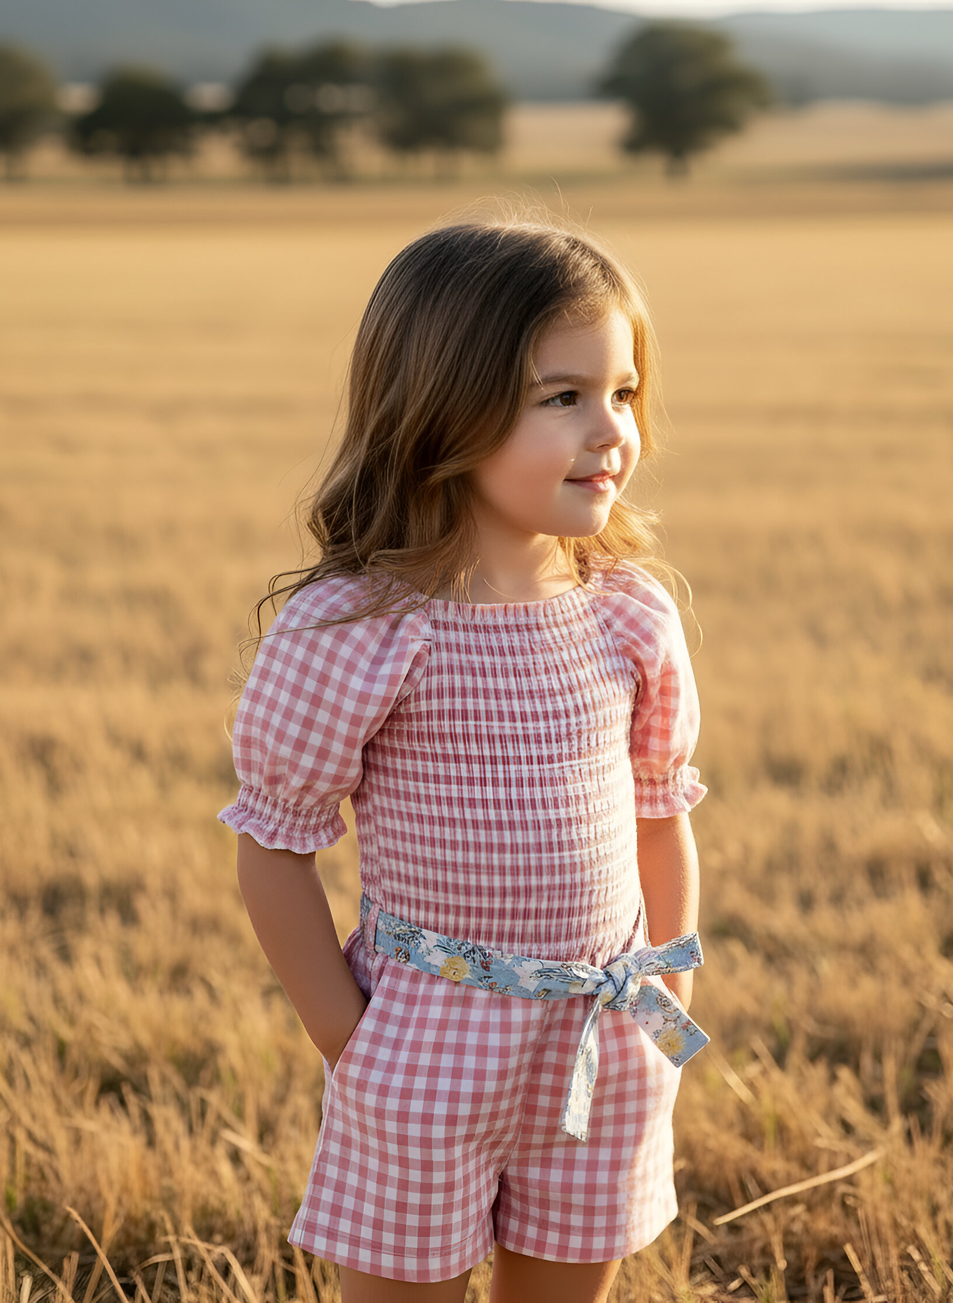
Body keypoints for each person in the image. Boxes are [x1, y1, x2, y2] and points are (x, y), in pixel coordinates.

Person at [218, 215, 709, 1303]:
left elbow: (658, 805)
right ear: (444, 406)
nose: (610, 430)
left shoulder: (628, 613)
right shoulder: (364, 627)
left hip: (601, 1027)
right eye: (563, 396)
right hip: (426, 1044)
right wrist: (353, 1044)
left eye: (622, 393)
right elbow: (274, 844)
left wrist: (668, 979)